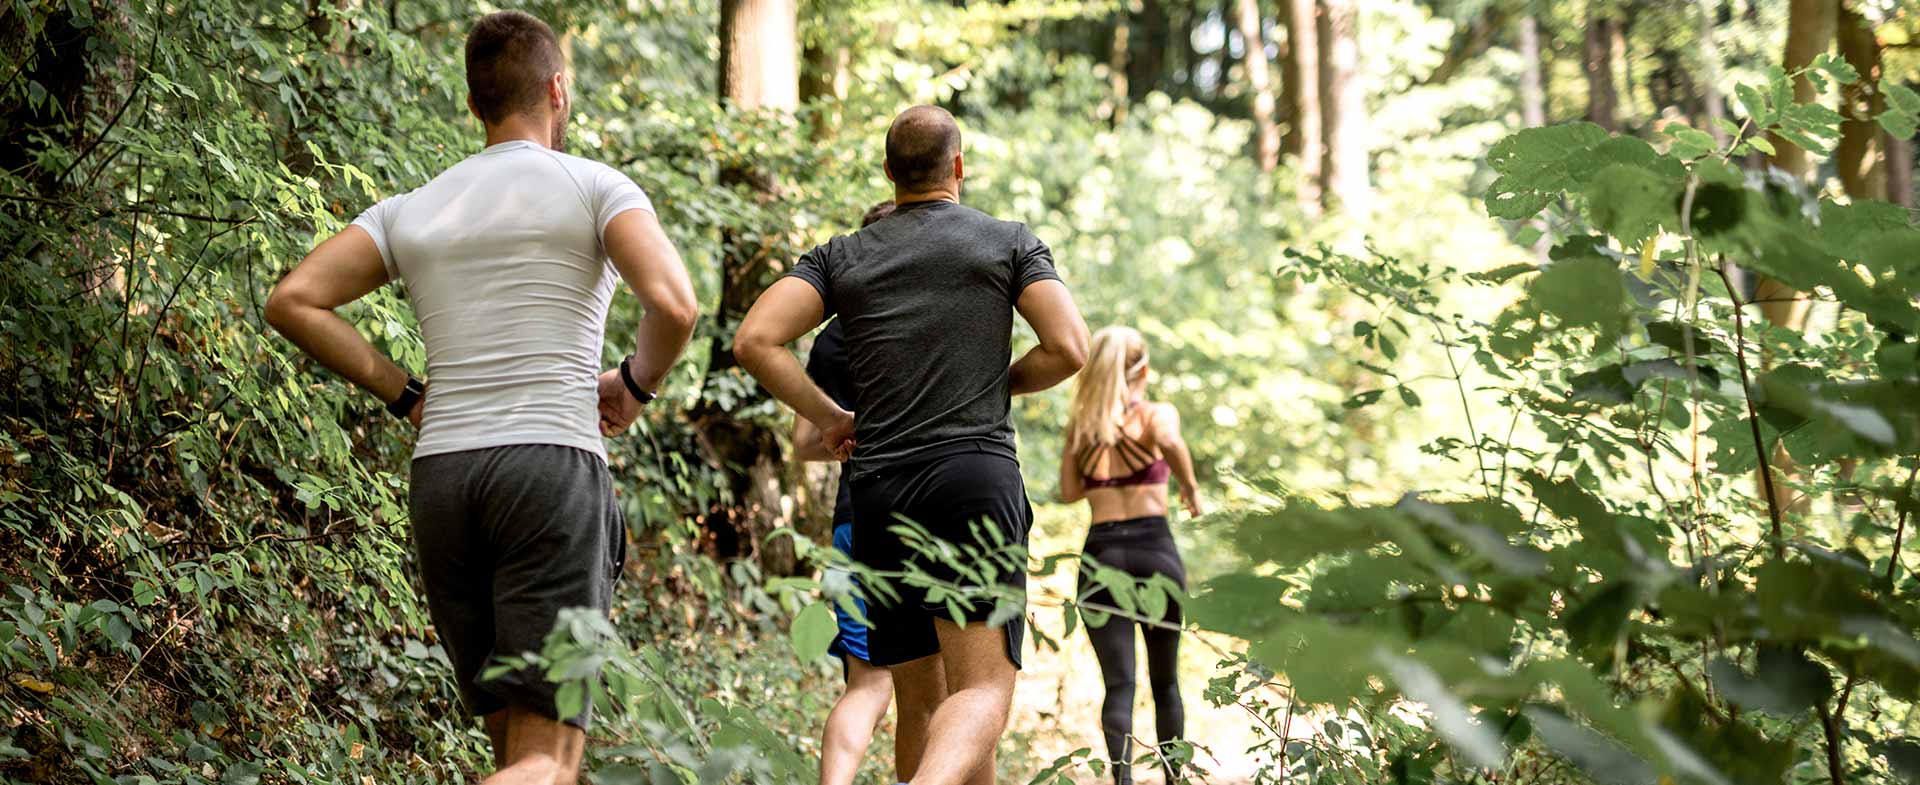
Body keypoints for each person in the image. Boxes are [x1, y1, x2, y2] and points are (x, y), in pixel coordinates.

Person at [263, 11, 698, 785]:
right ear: (558, 89)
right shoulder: (596, 187)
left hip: (444, 481)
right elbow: (675, 303)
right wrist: (633, 385)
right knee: (548, 758)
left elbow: (294, 299)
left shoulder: (414, 208)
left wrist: (405, 394)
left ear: (475, 105)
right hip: (550, 470)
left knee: (514, 748)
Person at [734, 105, 1089, 785]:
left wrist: (833, 416)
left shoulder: (842, 254)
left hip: (880, 495)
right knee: (983, 690)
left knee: (921, 699)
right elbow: (1070, 346)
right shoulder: (1008, 241)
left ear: (889, 173)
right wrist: (995, 384)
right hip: (973, 478)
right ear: (958, 167)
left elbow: (755, 339)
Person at [1057, 327, 1203, 785]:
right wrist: (1189, 486)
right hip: (1155, 553)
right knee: (1166, 684)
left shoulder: (1083, 426)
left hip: (1102, 558)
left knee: (1119, 686)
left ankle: (1121, 781)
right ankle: (1173, 781)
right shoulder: (1156, 415)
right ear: (1142, 369)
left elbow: (1068, 492)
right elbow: (1173, 442)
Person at [792, 199, 898, 785]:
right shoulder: (934, 314)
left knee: (867, 681)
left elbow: (805, 442)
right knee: (929, 682)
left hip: (855, 518)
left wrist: (848, 431)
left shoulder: (834, 336)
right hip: (929, 515)